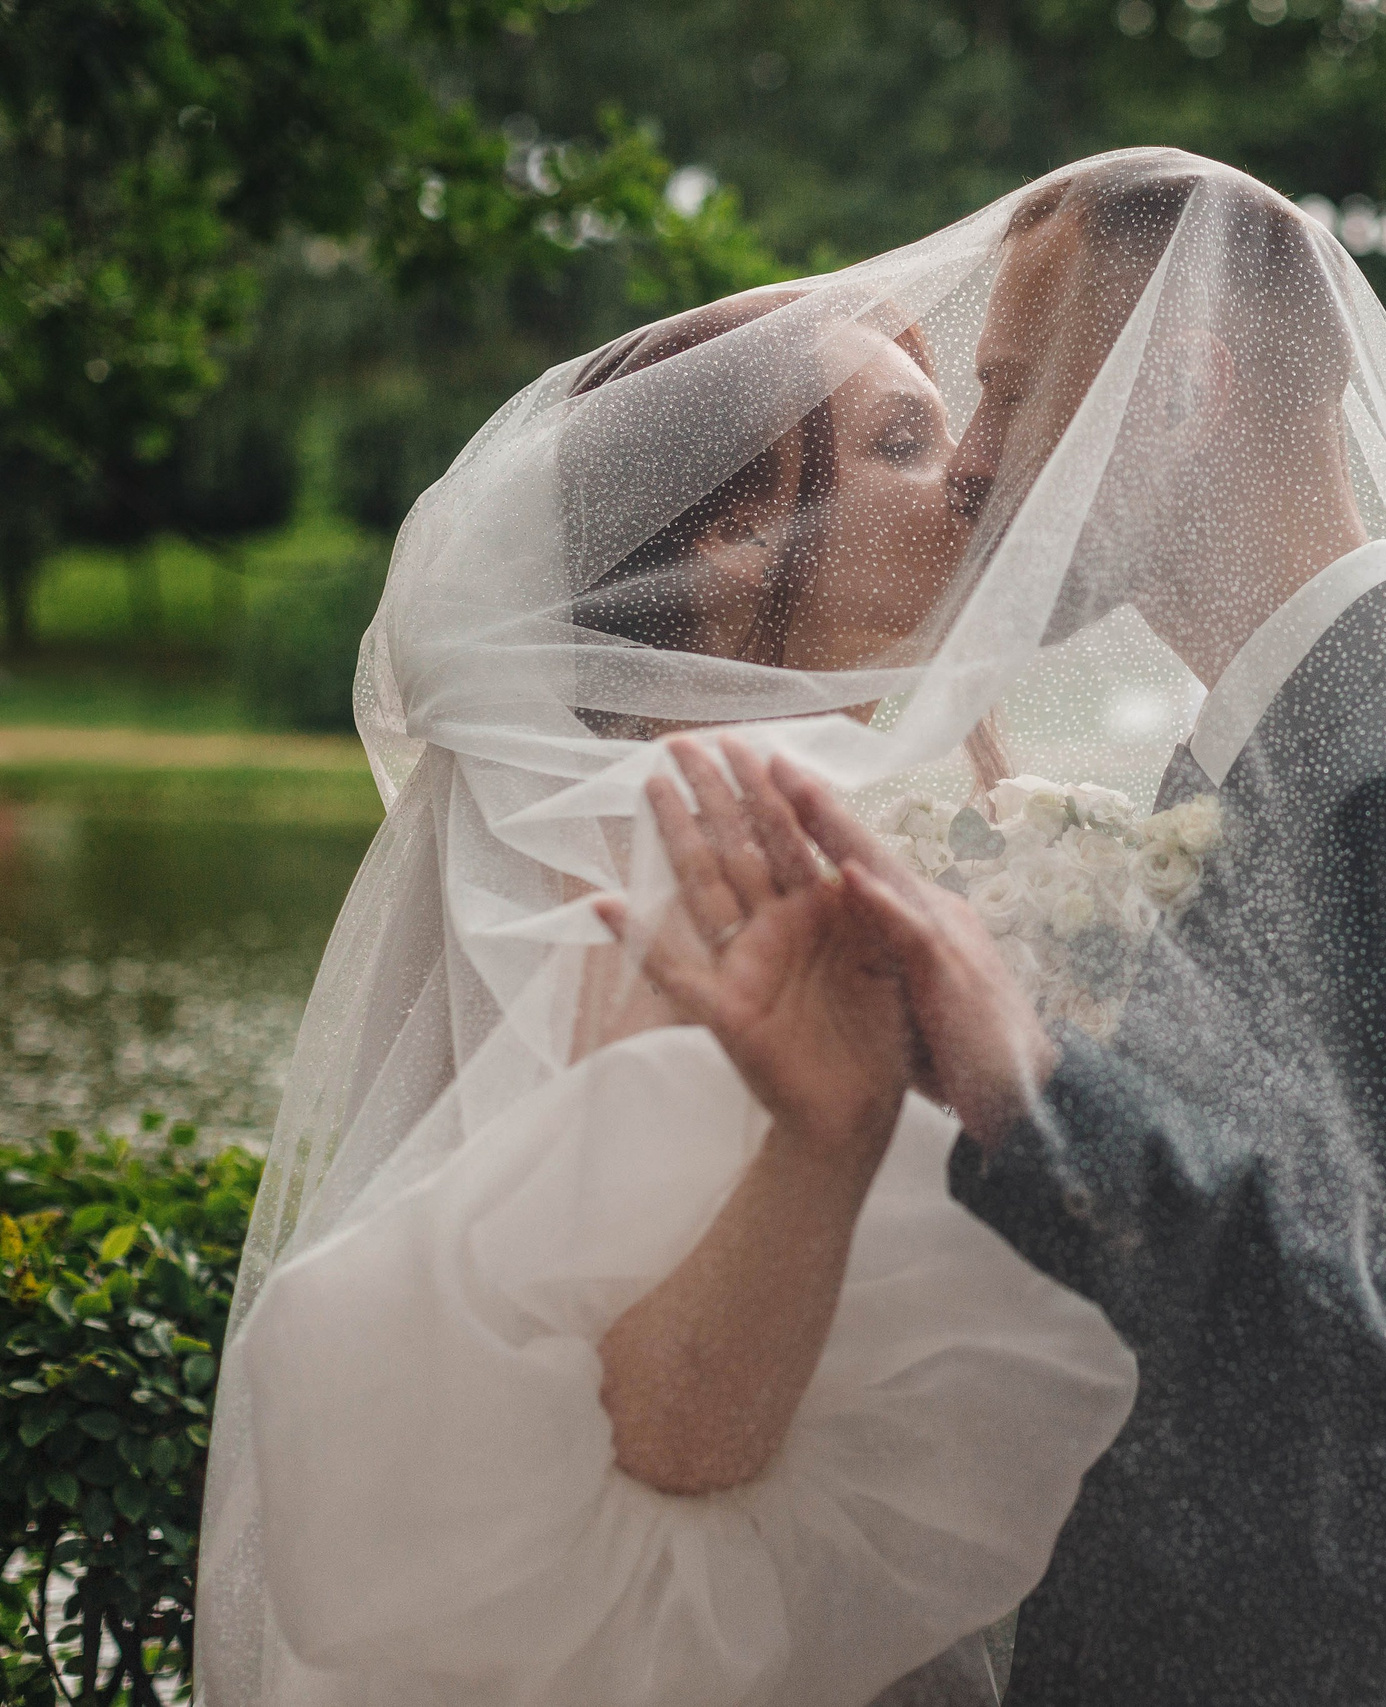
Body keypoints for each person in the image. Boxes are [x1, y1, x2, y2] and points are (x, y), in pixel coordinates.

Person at [628, 151, 1386, 1704]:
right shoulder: (1268, 744)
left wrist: (1028, 1076)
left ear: (1182, 392)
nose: (968, 468)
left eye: (1012, 394)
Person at [197, 282, 1136, 1707]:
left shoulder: (645, 806)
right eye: (899, 444)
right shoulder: (713, 845)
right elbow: (672, 1425)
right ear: (739, 540)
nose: (966, 485)